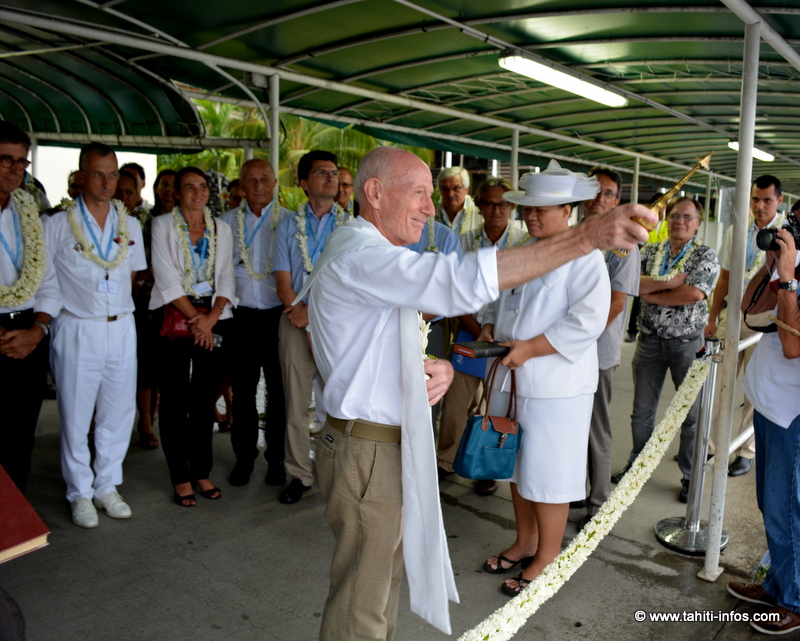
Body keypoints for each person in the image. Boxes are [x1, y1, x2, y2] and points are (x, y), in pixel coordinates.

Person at [298, 147, 653, 639]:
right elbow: (453, 285)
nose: (428, 206)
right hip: (369, 449)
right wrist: (587, 236)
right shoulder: (362, 255)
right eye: (419, 192)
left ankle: (537, 548)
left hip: (390, 439)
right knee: (363, 595)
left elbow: (373, 339)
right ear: (374, 193)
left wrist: (432, 367)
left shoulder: (369, 251)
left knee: (379, 584)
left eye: (430, 193)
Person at [477, 161, 609, 596]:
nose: (530, 216)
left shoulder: (586, 259)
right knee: (515, 464)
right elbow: (501, 304)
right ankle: (526, 540)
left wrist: (530, 348)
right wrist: (489, 327)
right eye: (527, 209)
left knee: (548, 473)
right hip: (512, 379)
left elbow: (586, 321)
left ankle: (548, 555)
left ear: (568, 210)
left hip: (557, 386)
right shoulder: (523, 249)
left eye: (541, 210)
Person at [41, 142, 147, 528]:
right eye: (99, 174)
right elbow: (46, 282)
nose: (107, 182)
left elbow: (131, 277)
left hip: (121, 325)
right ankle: (80, 493)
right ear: (82, 176)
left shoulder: (129, 223)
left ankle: (107, 485)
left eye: (113, 174)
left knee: (118, 413)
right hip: (77, 326)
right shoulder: (56, 224)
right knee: (75, 414)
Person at [612, 197, 719, 502]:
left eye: (687, 217)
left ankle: (689, 476)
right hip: (649, 341)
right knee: (642, 412)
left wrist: (656, 292)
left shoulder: (704, 254)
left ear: (698, 223)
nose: (679, 221)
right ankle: (637, 466)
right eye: (674, 216)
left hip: (687, 344)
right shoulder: (652, 250)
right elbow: (631, 282)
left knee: (691, 415)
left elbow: (695, 293)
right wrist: (670, 283)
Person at [727, 226, 800, 635]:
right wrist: (771, 264)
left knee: (787, 509)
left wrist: (788, 276)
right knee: (770, 504)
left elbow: (793, 345)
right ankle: (776, 586)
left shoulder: (795, 273)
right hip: (769, 403)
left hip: (793, 412)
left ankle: (794, 599)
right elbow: (748, 308)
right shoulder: (788, 266)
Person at [149, 167, 235, 507]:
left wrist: (210, 320)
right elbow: (167, 279)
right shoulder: (162, 226)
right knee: (174, 402)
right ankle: (179, 476)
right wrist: (195, 319)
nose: (198, 193)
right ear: (177, 192)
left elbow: (226, 275)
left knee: (203, 402)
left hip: (213, 321)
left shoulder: (221, 228)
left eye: (202, 187)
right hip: (177, 319)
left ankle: (201, 471)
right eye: (190, 187)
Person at [436, 176, 527, 496]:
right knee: (456, 401)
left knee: (495, 407)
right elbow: (453, 292)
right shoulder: (464, 241)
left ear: (513, 205)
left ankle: (486, 466)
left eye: (503, 203)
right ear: (478, 204)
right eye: (488, 203)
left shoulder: (524, 243)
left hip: (506, 341)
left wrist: (495, 336)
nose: (496, 210)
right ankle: (445, 459)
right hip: (469, 333)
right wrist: (477, 331)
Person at [273, 150, 349, 505]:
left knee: (342, 402)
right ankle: (299, 474)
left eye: (334, 172)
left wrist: (313, 314)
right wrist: (299, 313)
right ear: (304, 183)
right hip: (293, 320)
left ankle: (344, 473)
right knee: (296, 403)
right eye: (322, 172)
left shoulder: (351, 226)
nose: (331, 178)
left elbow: (352, 282)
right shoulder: (287, 225)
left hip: (337, 324)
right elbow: (283, 281)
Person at [705, 175, 785, 477]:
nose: (759, 206)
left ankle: (746, 451)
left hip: (765, 320)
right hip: (733, 315)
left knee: (753, 388)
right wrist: (713, 318)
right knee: (721, 382)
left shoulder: (787, 234)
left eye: (766, 200)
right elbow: (724, 278)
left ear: (778, 200)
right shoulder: (736, 231)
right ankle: (712, 446)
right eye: (755, 199)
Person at [220, 159, 292, 487]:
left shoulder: (290, 223)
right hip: (242, 317)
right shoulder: (224, 224)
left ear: (275, 183)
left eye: (265, 179)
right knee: (244, 392)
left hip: (279, 316)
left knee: (279, 393)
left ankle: (276, 458)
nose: (259, 186)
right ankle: (244, 458)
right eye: (252, 180)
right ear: (242, 185)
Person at [575, 167, 640, 528]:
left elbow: (616, 304)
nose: (601, 198)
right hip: (564, 351)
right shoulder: (572, 234)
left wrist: (573, 340)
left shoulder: (624, 243)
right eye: (595, 190)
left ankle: (598, 501)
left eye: (609, 193)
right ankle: (573, 493)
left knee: (595, 427)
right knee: (571, 425)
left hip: (596, 351)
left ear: (618, 200)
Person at [0, 122, 59, 494]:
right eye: (6, 160)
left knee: (21, 435)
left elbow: (49, 282)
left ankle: (12, 525)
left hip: (29, 332)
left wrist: (38, 331)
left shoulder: (28, 212)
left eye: (22, 161)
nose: (16, 169)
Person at [434, 166, 482, 234]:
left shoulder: (480, 215)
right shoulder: (431, 216)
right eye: (445, 189)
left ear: (466, 189)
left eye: (456, 188)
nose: (450, 194)